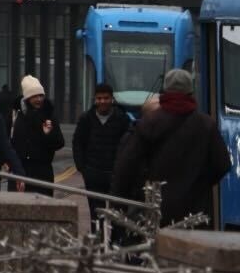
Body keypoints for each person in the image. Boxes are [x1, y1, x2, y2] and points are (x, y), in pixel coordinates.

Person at [111, 69, 232, 228]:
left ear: (164, 91)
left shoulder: (149, 123)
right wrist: (200, 184)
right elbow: (222, 165)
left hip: (156, 211)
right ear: (191, 92)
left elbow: (126, 166)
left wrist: (119, 205)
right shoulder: (206, 124)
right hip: (195, 213)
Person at [72, 80, 133, 219]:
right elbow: (78, 143)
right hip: (93, 174)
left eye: (106, 98)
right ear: (95, 99)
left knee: (117, 214)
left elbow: (129, 145)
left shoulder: (122, 119)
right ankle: (98, 233)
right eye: (99, 98)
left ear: (112, 99)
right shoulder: (86, 119)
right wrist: (82, 168)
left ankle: (114, 234)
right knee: (96, 213)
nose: (103, 101)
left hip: (116, 175)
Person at [10, 75, 64, 191]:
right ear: (27, 98)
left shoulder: (48, 115)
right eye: (34, 96)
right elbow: (10, 141)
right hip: (19, 173)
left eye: (41, 95)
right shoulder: (16, 114)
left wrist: (47, 134)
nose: (39, 99)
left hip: (42, 174)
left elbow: (59, 143)